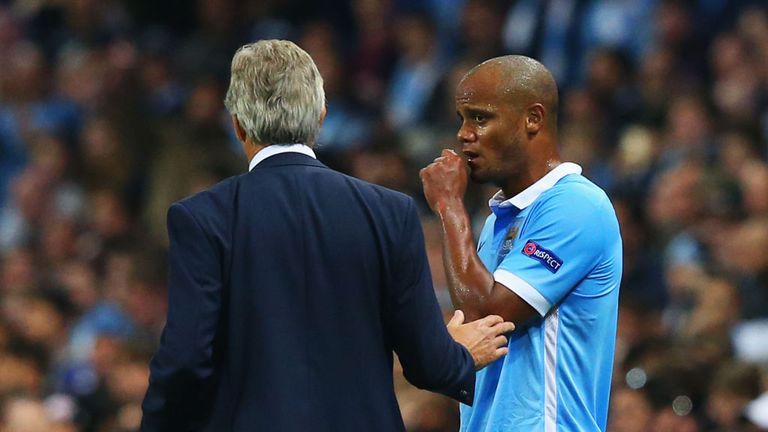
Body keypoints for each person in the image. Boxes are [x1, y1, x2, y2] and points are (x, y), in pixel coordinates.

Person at [140, 40, 515, 432]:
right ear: (320, 116)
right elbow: (428, 365)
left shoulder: (201, 218)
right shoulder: (390, 212)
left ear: (238, 124)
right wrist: (458, 354)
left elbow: (186, 360)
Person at [420, 55, 623, 431]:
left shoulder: (577, 205)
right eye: (462, 119)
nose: (464, 134)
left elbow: (487, 316)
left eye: (480, 118)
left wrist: (449, 206)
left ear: (533, 118)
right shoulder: (496, 224)